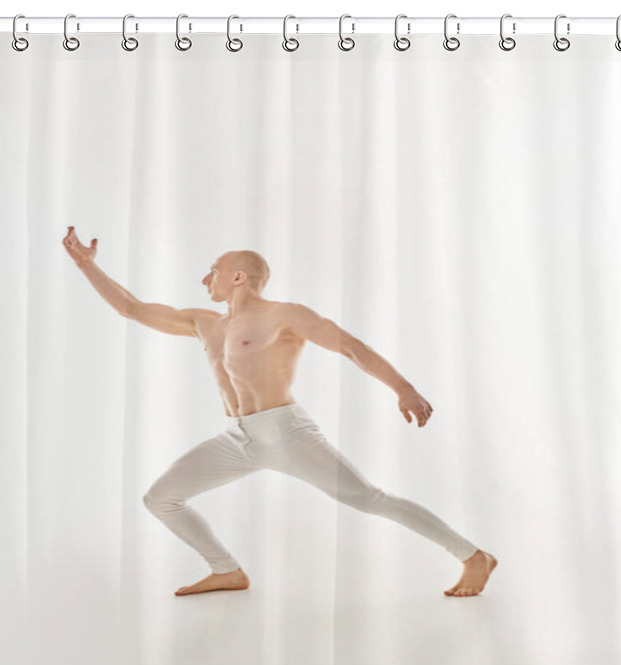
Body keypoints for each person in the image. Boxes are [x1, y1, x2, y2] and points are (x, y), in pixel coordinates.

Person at [61, 227, 498, 598]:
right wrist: (86, 265)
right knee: (160, 498)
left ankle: (473, 557)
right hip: (239, 438)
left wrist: (403, 388)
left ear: (237, 276)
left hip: (287, 434)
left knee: (368, 499)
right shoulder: (205, 322)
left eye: (212, 269)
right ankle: (227, 571)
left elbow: (350, 346)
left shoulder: (283, 315)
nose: (203, 278)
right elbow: (130, 308)